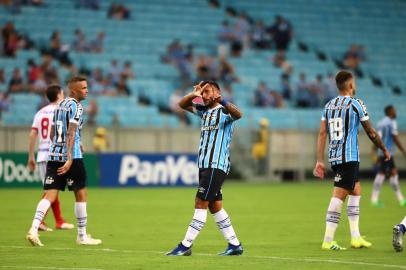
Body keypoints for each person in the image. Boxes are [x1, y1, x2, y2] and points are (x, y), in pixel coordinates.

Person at [313, 71, 390, 251]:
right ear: (349, 85)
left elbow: (323, 133)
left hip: (335, 156)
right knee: (339, 195)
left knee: (355, 190)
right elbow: (370, 131)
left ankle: (355, 237)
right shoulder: (357, 104)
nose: (354, 86)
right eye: (353, 83)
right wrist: (383, 147)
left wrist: (319, 160)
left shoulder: (328, 106)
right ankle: (328, 240)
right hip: (349, 156)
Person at [166, 81, 243, 256]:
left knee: (200, 202)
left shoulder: (224, 111)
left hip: (216, 164)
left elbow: (239, 114)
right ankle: (234, 244)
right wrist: (195, 94)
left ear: (217, 92)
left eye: (208, 91)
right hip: (204, 165)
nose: (205, 95)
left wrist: (222, 101)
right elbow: (181, 105)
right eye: (203, 92)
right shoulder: (204, 112)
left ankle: (185, 246)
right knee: (215, 206)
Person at [26, 76, 102, 246]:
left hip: (53, 155)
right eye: (83, 88)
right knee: (81, 193)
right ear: (74, 91)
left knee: (50, 193)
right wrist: (68, 157)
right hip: (72, 157)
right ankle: (82, 236)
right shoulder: (77, 107)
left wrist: (57, 150)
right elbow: (71, 133)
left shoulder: (60, 105)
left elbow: (53, 132)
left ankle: (33, 228)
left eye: (86, 87)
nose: (87, 90)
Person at [28, 85, 74, 231]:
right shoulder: (61, 110)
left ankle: (59, 221)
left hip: (42, 154)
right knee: (51, 190)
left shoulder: (39, 113)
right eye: (62, 93)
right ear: (59, 95)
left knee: (52, 189)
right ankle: (39, 222)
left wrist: (31, 156)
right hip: (56, 153)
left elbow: (33, 134)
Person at [371, 105, 406, 207]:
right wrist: (403, 150)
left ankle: (401, 199)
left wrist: (375, 149)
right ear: (390, 111)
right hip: (387, 152)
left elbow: (378, 137)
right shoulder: (391, 123)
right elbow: (395, 138)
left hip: (383, 152)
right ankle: (374, 199)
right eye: (394, 110)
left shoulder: (381, 123)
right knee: (381, 174)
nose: (395, 112)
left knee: (393, 173)